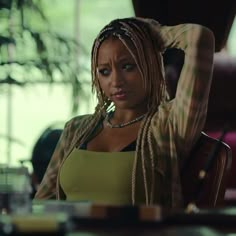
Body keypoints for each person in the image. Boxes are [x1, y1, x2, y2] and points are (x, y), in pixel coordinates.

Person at [34, 17, 215, 208]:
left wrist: (153, 34)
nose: (116, 81)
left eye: (128, 66)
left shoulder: (169, 123)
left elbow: (199, 37)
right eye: (104, 71)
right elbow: (41, 204)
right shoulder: (77, 129)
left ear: (150, 64)